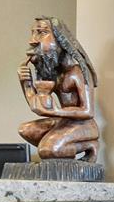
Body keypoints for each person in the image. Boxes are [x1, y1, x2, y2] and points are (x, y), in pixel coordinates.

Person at [17, 17, 100, 162]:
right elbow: (37, 107)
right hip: (64, 121)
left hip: (84, 125)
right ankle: (58, 147)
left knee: (47, 150)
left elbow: (88, 111)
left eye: (42, 32)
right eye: (33, 33)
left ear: (60, 39)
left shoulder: (77, 72)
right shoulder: (56, 74)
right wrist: (26, 83)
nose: (32, 40)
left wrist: (55, 111)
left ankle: (89, 145)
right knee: (26, 130)